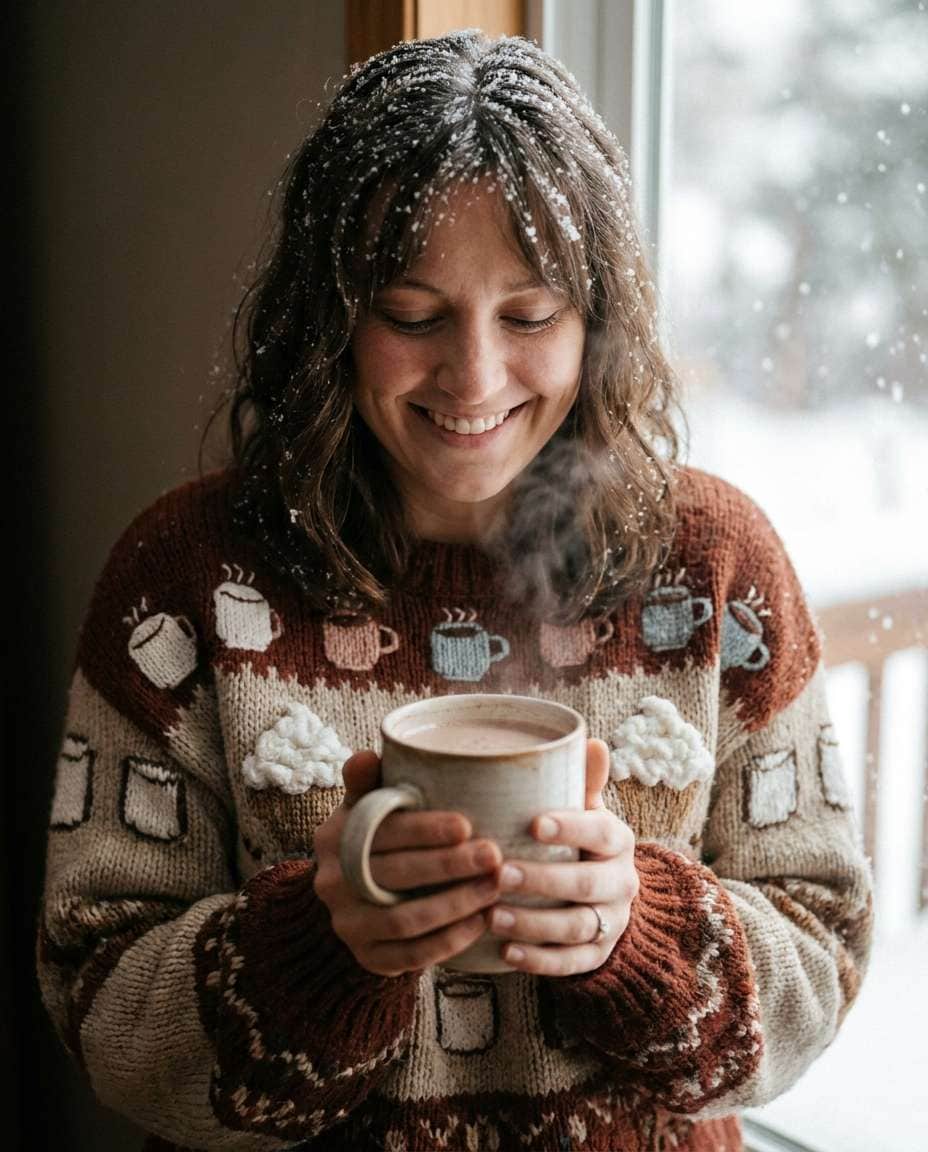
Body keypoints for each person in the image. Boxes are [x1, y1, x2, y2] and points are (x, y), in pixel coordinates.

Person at [37, 29, 873, 1152]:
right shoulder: (188, 585)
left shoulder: (714, 571)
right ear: (331, 314)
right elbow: (99, 1008)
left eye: (528, 317)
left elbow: (821, 960)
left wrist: (640, 934)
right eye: (413, 315)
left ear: (599, 322)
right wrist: (320, 948)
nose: (473, 379)